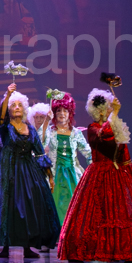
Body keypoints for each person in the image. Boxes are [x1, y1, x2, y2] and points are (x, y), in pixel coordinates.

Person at [57, 89, 132, 262]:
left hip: (117, 176)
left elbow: (123, 152)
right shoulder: (93, 128)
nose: (110, 110)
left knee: (120, 214)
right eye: (108, 108)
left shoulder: (116, 127)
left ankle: (126, 251)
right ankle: (95, 250)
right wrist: (115, 114)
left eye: (111, 108)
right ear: (100, 111)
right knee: (94, 213)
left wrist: (129, 172)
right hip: (98, 175)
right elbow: (104, 138)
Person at [0, 83, 61, 259]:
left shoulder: (31, 129)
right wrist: (7, 95)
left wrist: (49, 177)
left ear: (24, 109)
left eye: (19, 105)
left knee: (29, 206)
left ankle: (28, 246)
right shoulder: (6, 128)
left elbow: (40, 152)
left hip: (28, 170)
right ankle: (5, 247)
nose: (17, 107)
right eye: (13, 105)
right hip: (8, 170)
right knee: (8, 206)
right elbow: (0, 117)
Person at [41, 90, 91, 225]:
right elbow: (40, 143)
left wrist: (96, 167)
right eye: (59, 111)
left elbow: (88, 152)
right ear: (54, 113)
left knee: (75, 208)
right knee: (55, 208)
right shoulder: (50, 132)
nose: (62, 114)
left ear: (70, 113)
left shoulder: (76, 133)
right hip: (54, 175)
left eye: (65, 110)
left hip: (73, 175)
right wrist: (46, 122)